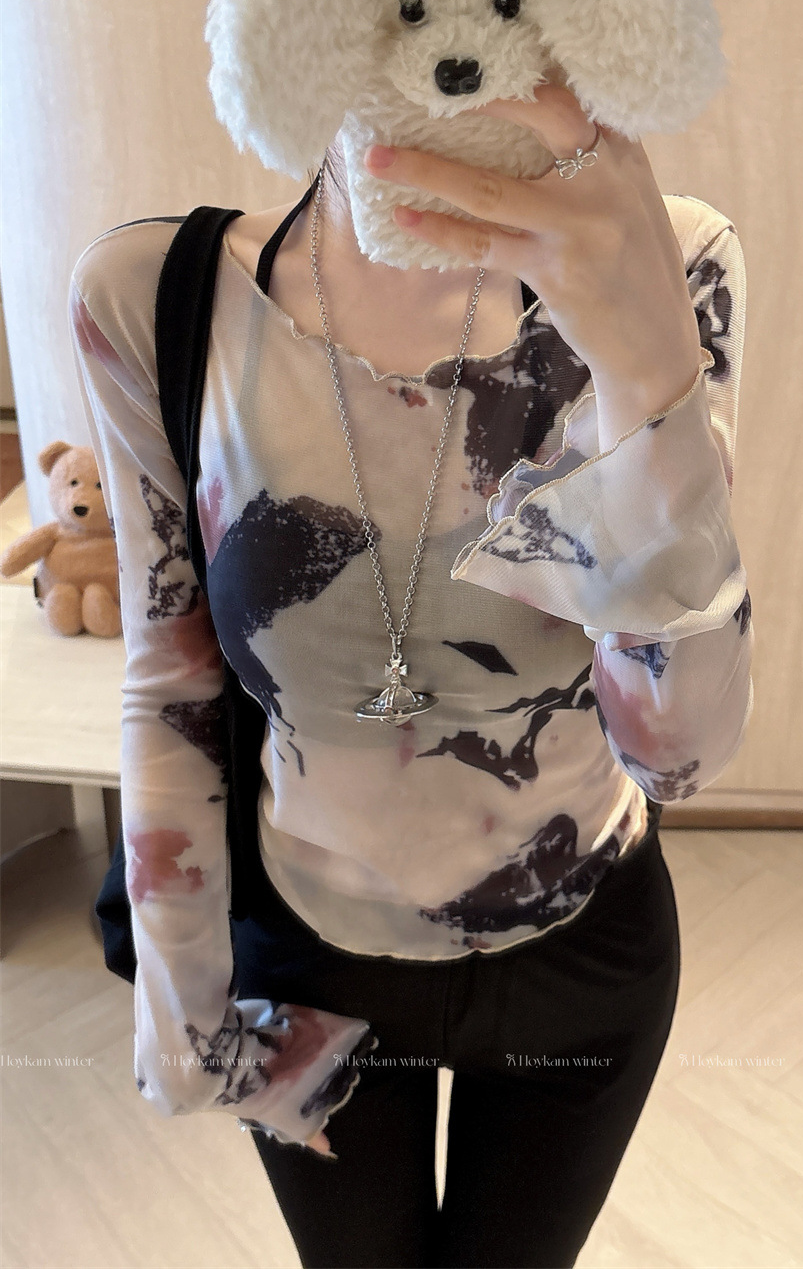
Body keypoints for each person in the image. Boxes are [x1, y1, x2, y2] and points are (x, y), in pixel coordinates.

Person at [71, 83, 752, 1267]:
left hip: (581, 948)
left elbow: (680, 755)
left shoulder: (669, 260)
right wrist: (177, 998)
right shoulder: (156, 297)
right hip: (308, 954)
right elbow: (171, 683)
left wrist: (647, 371)